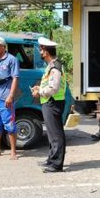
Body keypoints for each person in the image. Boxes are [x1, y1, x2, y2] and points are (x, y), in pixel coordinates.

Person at [32, 37, 67, 173]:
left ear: (46, 51)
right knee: (52, 134)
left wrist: (39, 92)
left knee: (56, 134)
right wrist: (39, 88)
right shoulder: (51, 66)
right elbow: (49, 84)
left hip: (53, 102)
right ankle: (52, 159)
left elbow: (54, 88)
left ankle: (57, 164)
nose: (40, 52)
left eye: (41, 49)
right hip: (49, 102)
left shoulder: (55, 67)